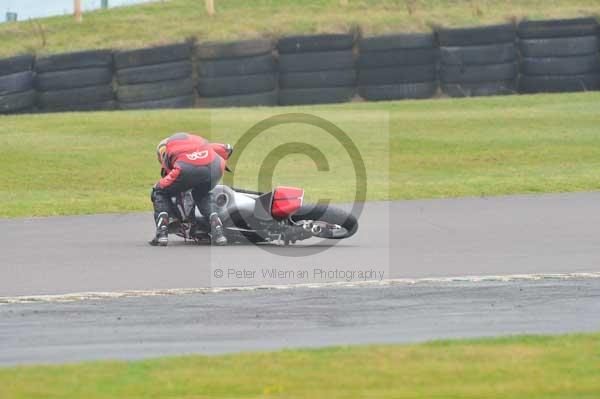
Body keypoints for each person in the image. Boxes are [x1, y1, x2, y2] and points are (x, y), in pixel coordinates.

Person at [150, 132, 233, 247]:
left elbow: (170, 183)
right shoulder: (198, 143)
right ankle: (218, 232)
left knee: (159, 191)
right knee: (202, 194)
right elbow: (228, 148)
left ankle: (162, 233)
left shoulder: (169, 151)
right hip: (215, 167)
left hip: (186, 168)